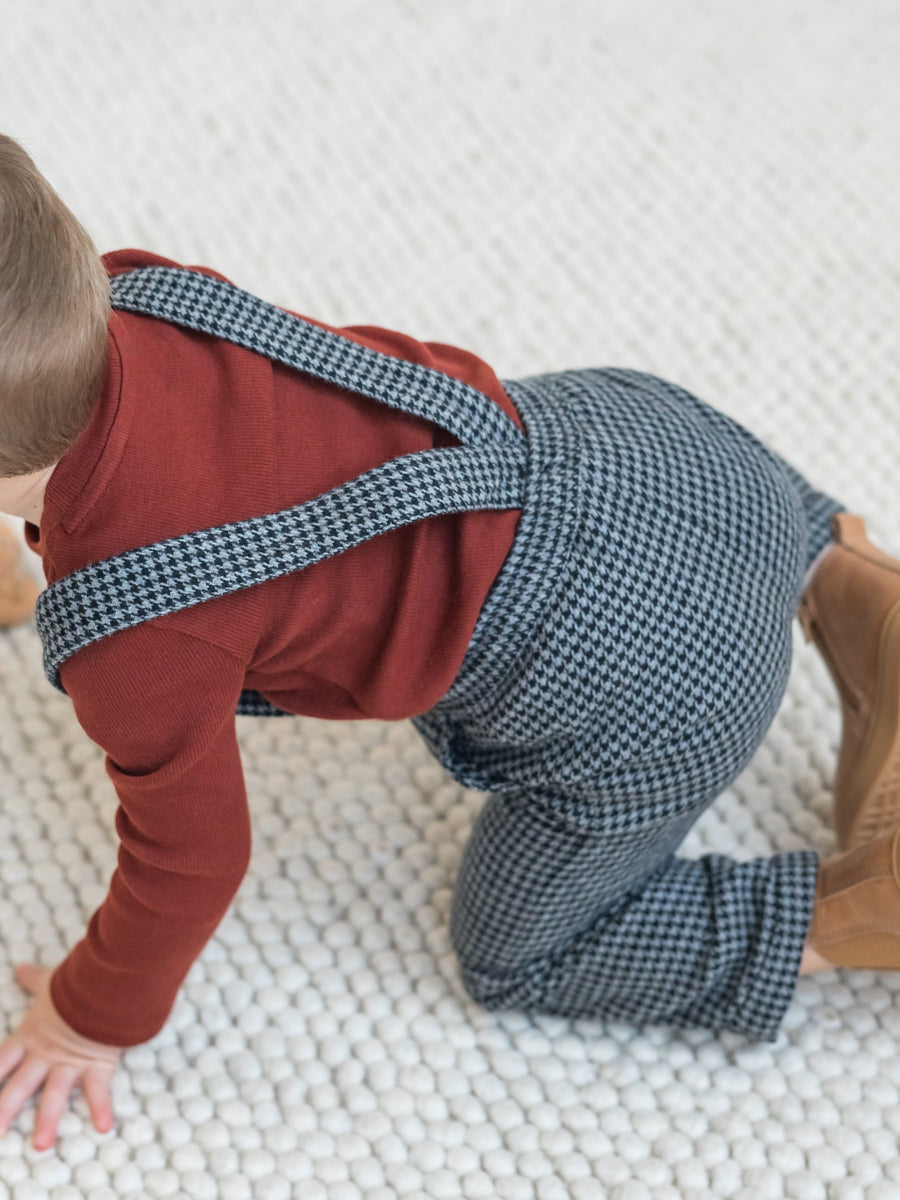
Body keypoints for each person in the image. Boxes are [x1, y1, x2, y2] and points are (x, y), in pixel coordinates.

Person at [0, 130, 898, 1154]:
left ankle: (853, 908)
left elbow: (191, 857)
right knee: (651, 462)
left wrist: (88, 1017)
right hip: (664, 443)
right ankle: (844, 577)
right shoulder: (139, 290)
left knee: (516, 954)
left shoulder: (136, 636)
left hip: (651, 681)